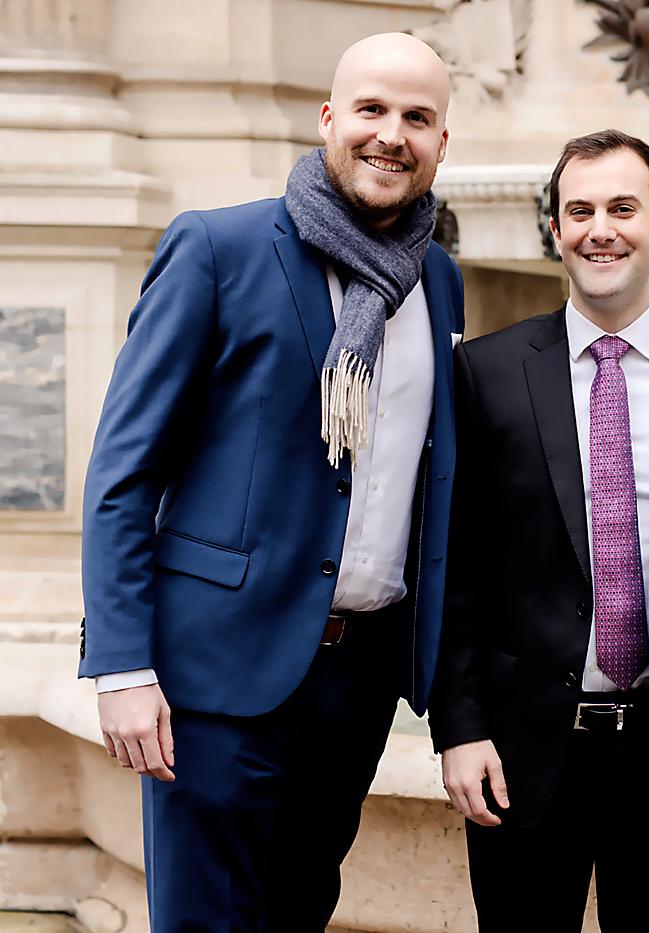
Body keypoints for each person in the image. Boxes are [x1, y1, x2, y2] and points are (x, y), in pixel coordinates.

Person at [77, 33, 463, 931]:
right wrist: (124, 665)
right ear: (329, 118)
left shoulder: (437, 279)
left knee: (298, 912)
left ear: (445, 142)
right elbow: (124, 473)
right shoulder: (219, 247)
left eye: (417, 117)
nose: (391, 135)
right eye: (371, 109)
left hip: (358, 678)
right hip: (213, 675)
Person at [428, 129, 649, 932]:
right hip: (521, 750)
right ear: (555, 229)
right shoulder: (484, 371)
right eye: (578, 210)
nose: (599, 228)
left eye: (623, 207)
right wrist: (460, 727)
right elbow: (456, 564)